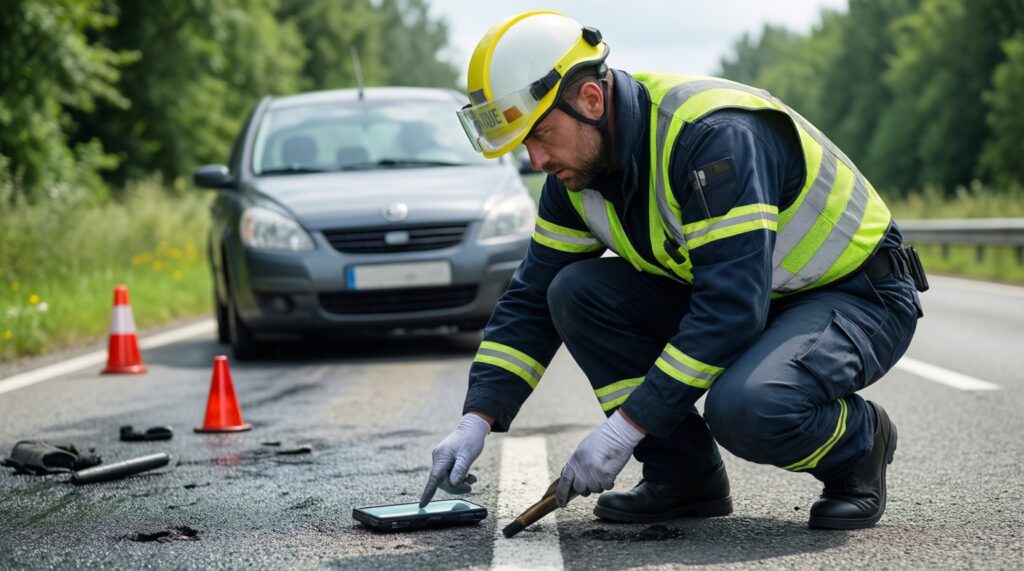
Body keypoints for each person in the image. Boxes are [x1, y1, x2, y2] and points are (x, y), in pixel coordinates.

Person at [420, 10, 927, 530]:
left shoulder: (711, 139)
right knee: (575, 291)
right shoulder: (576, 176)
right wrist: (476, 417)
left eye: (541, 134)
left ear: (591, 100)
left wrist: (622, 431)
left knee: (748, 408)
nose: (536, 159)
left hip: (857, 294)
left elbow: (730, 311)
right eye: (524, 144)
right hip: (760, 298)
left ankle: (859, 445)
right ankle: (683, 476)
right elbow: (532, 298)